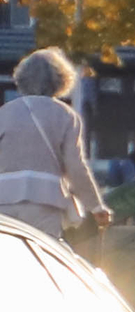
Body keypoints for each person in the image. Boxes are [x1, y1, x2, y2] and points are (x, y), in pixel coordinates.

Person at [0, 48, 111, 240]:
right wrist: (95, 205)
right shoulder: (66, 116)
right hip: (45, 201)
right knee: (41, 260)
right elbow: (76, 166)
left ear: (22, 78)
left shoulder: (5, 113)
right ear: (61, 80)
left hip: (4, 200)